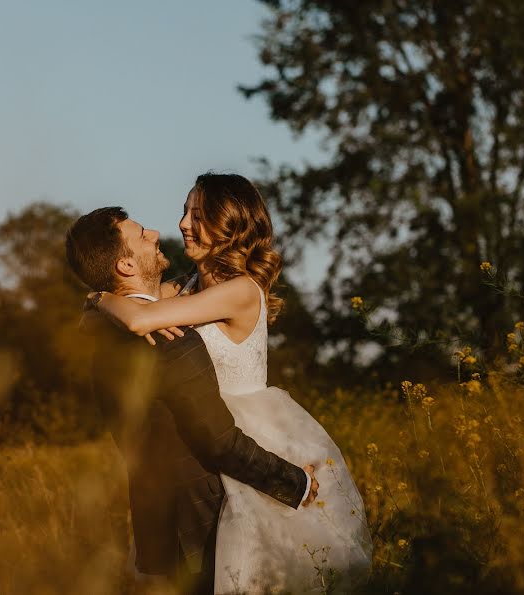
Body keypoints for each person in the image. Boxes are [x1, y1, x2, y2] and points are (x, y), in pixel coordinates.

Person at [89, 173, 372, 594]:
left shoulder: (242, 291)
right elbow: (137, 304)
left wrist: (97, 298)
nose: (184, 223)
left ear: (231, 227)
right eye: (185, 211)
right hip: (203, 446)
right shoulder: (181, 287)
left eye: (198, 215)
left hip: (246, 444)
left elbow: (139, 317)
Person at [65, 206, 319, 594]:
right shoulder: (171, 339)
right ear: (126, 265)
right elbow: (219, 442)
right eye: (141, 235)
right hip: (206, 525)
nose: (155, 232)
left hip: (158, 529)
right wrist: (295, 483)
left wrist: (97, 299)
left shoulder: (103, 343)